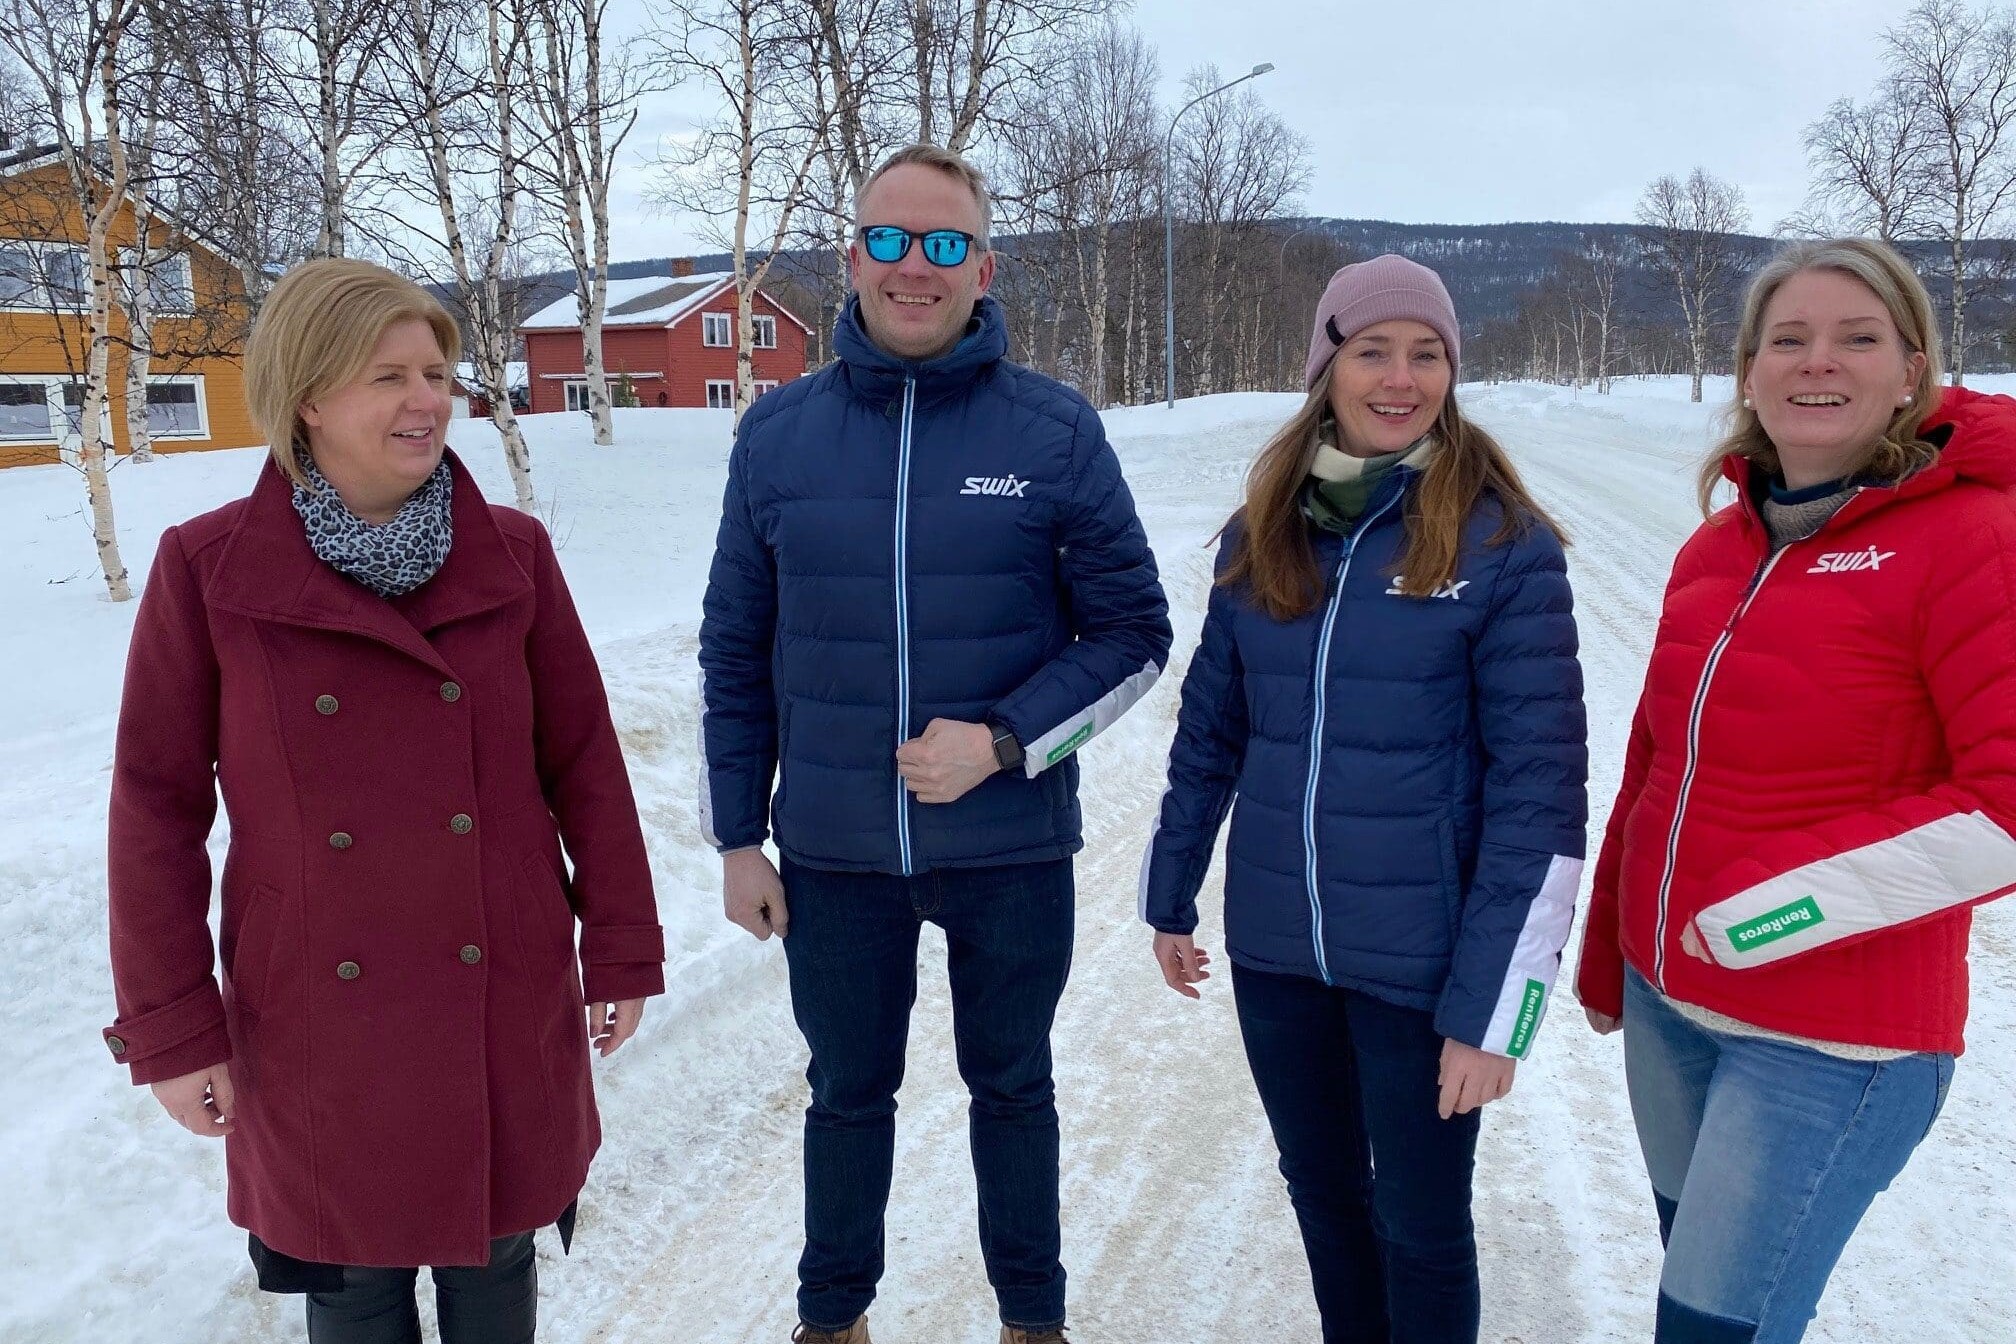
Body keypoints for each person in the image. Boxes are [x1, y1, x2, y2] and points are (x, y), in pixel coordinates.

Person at [101, 257, 666, 1343]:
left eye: (438, 372)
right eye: (389, 376)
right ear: (308, 396)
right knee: (349, 1281)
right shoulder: (208, 569)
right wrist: (173, 1030)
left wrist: (623, 947)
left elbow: (586, 764)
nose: (427, 401)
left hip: (499, 976)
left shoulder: (514, 555)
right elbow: (153, 812)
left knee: (499, 1248)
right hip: (315, 1002)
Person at [699, 144, 1171, 1344]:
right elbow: (735, 650)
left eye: (946, 244)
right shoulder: (776, 438)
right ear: (852, 256)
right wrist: (738, 836)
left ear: (984, 266)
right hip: (836, 856)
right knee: (847, 1097)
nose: (918, 267)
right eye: (894, 241)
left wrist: (1007, 743)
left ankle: (1032, 1321)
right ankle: (832, 1319)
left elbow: (1133, 636)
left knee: (1011, 1089)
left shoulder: (1053, 432)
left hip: (1008, 849)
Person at [1574, 238, 2016, 1344]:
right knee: (1705, 1292)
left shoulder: (1972, 537)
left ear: (1912, 369)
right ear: (1750, 369)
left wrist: (1762, 915)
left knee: (1717, 1329)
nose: (1819, 363)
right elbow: (1655, 764)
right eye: (1790, 339)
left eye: (1858, 338)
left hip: (1828, 1048)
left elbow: (2004, 809)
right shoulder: (1717, 548)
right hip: (1671, 1013)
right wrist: (1611, 950)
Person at [1140, 254, 1588, 1344]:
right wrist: (1170, 893)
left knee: (1422, 1225)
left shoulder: (1503, 546)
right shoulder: (1265, 533)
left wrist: (1500, 1010)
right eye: (1372, 351)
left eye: (1426, 353)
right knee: (1327, 1201)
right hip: (1281, 955)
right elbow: (1212, 730)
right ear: (1325, 371)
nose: (1401, 378)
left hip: (1424, 967)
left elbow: (1543, 802)